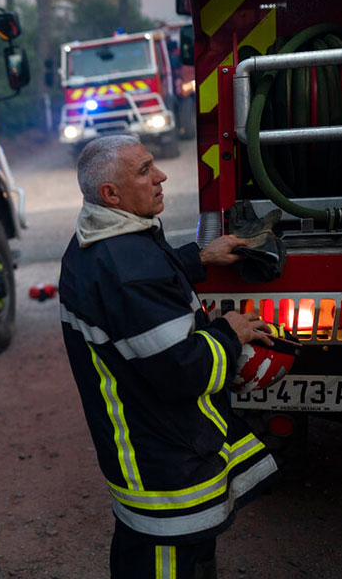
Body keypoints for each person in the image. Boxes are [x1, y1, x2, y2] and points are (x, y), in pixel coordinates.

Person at [58, 135, 279, 579]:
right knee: (166, 561)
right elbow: (183, 369)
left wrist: (197, 257)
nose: (160, 177)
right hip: (163, 466)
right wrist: (229, 335)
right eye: (144, 171)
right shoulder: (127, 270)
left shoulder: (106, 239)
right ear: (111, 194)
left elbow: (141, 286)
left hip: (148, 453)